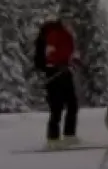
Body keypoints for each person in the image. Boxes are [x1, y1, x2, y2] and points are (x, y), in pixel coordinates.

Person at [34, 14, 83, 149]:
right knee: (57, 107)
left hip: (65, 72)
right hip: (54, 73)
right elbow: (49, 52)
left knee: (72, 104)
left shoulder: (68, 35)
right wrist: (56, 64)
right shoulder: (55, 34)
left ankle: (69, 135)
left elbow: (70, 53)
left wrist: (74, 61)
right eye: (68, 20)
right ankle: (53, 138)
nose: (71, 23)